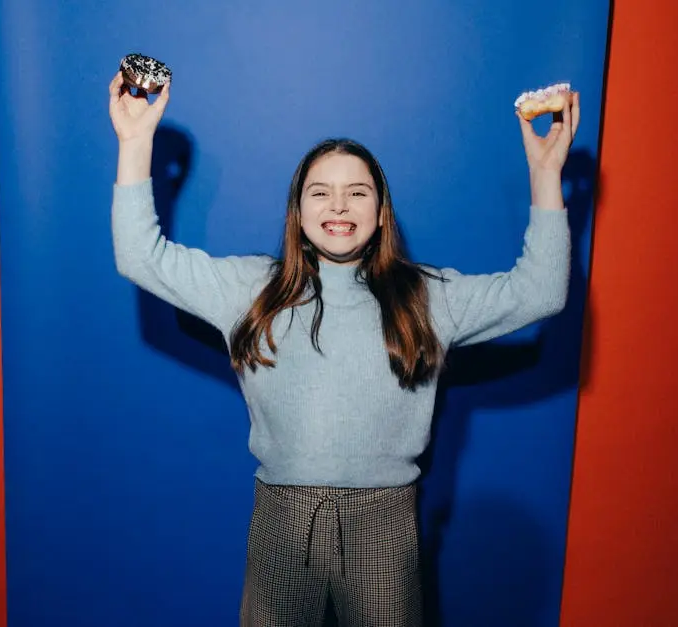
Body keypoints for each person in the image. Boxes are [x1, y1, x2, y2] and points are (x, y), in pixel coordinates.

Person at [108, 72, 579, 626]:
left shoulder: (428, 296)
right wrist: (136, 143)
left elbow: (541, 292)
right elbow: (141, 258)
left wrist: (546, 174)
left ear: (381, 213)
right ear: (299, 216)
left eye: (358, 192)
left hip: (386, 520)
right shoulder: (250, 287)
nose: (339, 204)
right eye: (320, 192)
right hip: (281, 516)